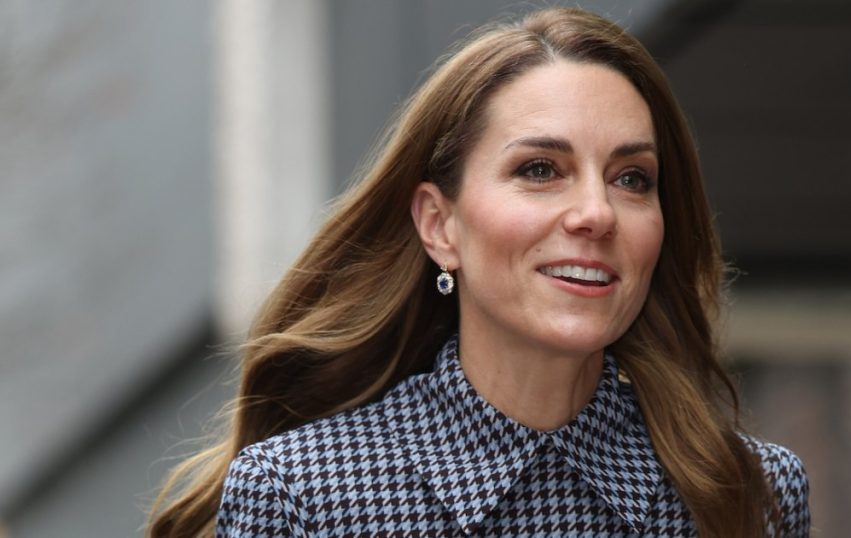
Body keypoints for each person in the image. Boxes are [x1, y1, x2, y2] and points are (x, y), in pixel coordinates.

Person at [149, 7, 810, 537]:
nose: (596, 213)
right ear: (440, 226)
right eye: (540, 170)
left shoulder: (751, 495)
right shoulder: (302, 493)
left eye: (632, 178)